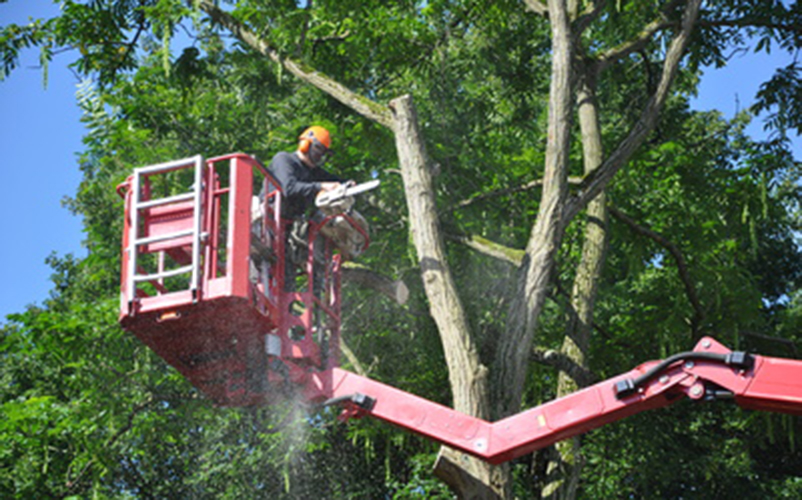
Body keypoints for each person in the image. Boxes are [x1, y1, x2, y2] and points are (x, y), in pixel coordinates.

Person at [266, 126, 346, 293]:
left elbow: (334, 180)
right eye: (319, 151)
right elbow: (289, 188)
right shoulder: (284, 160)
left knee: (287, 281)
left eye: (324, 153)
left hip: (288, 231)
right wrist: (321, 186)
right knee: (266, 269)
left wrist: (345, 185)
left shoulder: (313, 172)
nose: (320, 156)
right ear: (305, 145)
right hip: (269, 224)